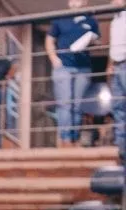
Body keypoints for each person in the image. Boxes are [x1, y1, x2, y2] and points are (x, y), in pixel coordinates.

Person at [47, 0, 99, 147]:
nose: (75, 2)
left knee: (77, 105)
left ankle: (74, 138)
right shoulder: (60, 18)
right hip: (63, 67)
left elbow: (97, 40)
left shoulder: (91, 20)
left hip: (83, 68)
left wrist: (90, 41)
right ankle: (65, 139)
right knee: (65, 104)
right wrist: (53, 58)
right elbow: (49, 40)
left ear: (85, 2)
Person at [109, 0, 126, 148]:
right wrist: (110, 65)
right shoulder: (114, 20)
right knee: (118, 106)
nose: (114, 1)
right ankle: (121, 146)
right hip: (116, 65)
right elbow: (113, 45)